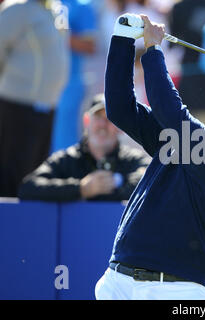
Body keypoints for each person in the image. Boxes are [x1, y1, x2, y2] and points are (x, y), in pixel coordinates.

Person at [94, 13, 205, 300]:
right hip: (118, 279)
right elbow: (119, 108)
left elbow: (171, 111)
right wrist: (122, 41)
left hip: (175, 289)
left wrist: (154, 50)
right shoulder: (181, 139)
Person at [18, 94, 149, 202]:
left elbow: (150, 184)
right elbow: (28, 188)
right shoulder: (67, 159)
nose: (103, 124)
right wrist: (81, 188)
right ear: (86, 121)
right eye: (98, 117)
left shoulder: (133, 159)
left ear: (121, 126)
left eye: (110, 118)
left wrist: (107, 188)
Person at [0, 0, 69, 197]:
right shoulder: (16, 9)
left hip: (45, 108)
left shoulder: (55, 11)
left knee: (34, 178)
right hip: (16, 107)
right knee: (12, 178)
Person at [50, 0, 97, 152]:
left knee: (63, 140)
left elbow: (90, 45)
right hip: (39, 83)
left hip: (69, 84)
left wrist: (56, 32)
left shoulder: (81, 5)